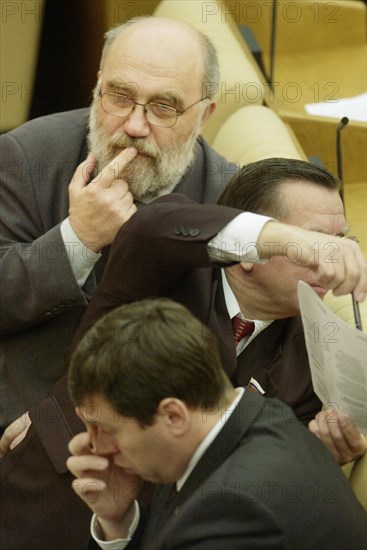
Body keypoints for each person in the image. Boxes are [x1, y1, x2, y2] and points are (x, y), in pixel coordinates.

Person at [0, 159, 367, 549]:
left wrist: (322, 451)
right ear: (253, 248)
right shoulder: (168, 264)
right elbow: (151, 228)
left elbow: (258, 471)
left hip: (173, 530)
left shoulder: (316, 356)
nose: (331, 261)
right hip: (57, 483)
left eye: (342, 242)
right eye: (316, 242)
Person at [0, 15, 236, 432]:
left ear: (204, 116)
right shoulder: (25, 155)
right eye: (119, 96)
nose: (133, 126)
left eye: (164, 107)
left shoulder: (230, 199)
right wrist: (78, 238)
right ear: (97, 88)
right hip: (22, 419)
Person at [67, 298, 367, 549]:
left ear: (173, 416)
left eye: (107, 429)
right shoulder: (258, 416)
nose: (95, 446)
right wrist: (118, 521)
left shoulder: (234, 511)